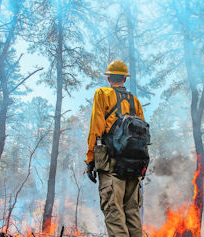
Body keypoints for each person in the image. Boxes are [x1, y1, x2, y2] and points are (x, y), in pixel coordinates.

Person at [85, 60, 146, 237]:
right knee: (132, 213)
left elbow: (96, 128)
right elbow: (143, 136)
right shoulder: (135, 101)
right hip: (134, 166)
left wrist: (91, 159)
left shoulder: (102, 93)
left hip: (111, 163)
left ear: (109, 78)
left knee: (114, 212)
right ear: (125, 80)